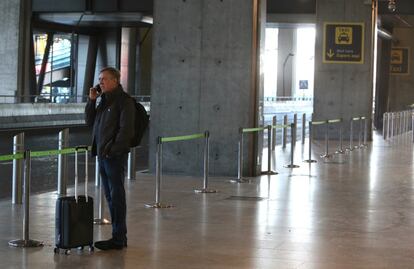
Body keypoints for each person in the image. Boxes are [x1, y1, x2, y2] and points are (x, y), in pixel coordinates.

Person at [85, 67, 135, 250]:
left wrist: (112, 150)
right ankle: (117, 236)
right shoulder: (104, 101)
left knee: (117, 196)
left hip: (113, 156)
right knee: (110, 196)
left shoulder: (124, 101)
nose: (101, 82)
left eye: (104, 79)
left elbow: (126, 131)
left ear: (115, 80)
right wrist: (92, 101)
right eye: (99, 79)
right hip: (103, 156)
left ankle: (119, 237)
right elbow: (89, 122)